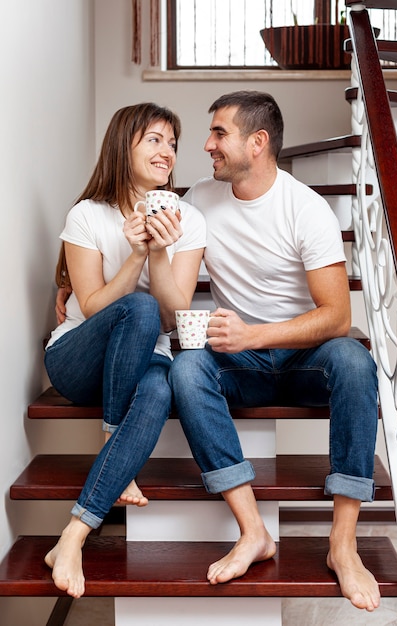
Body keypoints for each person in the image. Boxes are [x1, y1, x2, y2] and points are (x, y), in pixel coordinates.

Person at [168, 90, 380, 612]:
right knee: (187, 367)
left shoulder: (305, 209)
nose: (207, 144)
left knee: (355, 361)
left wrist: (255, 335)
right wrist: (70, 278)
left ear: (257, 143)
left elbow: (337, 316)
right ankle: (253, 531)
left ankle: (343, 544)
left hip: (299, 358)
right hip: (239, 362)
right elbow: (142, 243)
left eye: (219, 133)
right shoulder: (197, 199)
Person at [44, 102, 206, 598]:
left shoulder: (189, 219)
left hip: (146, 353)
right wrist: (134, 253)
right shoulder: (87, 215)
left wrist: (159, 252)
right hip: (78, 357)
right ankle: (116, 442)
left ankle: (73, 535)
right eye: (154, 140)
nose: (167, 152)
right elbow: (91, 307)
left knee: (157, 390)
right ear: (123, 145)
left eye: (172, 143)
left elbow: (170, 320)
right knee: (132, 309)